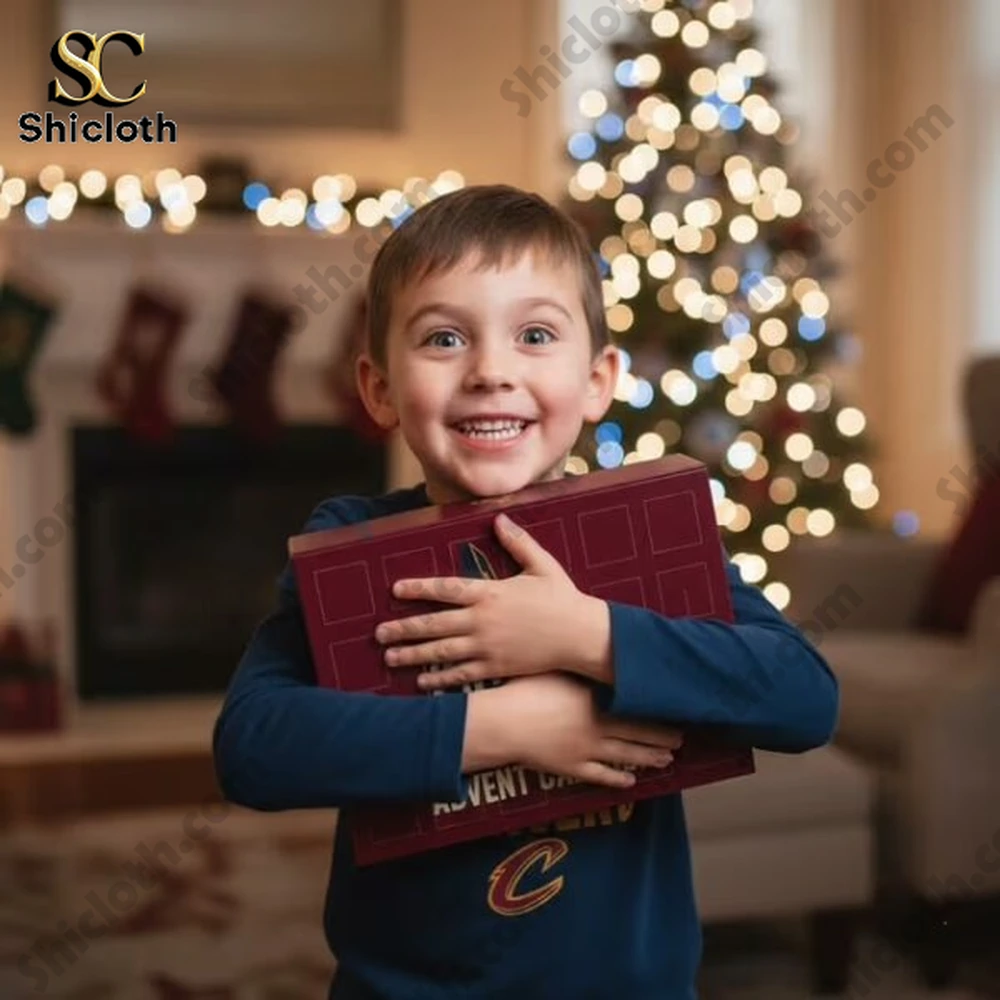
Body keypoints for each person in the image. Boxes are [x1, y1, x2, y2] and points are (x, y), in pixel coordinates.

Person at [212, 184, 839, 999]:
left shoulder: (644, 542)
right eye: (444, 338)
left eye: (535, 334)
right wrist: (496, 727)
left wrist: (586, 637)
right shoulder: (353, 550)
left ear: (597, 380)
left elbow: (804, 699)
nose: (491, 372)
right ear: (377, 389)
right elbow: (254, 748)